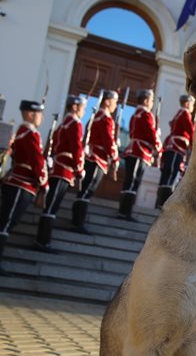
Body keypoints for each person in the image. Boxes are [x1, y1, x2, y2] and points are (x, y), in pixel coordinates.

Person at [0, 100, 47, 276]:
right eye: (39, 114)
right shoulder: (29, 133)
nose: (41, 117)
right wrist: (44, 182)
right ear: (29, 114)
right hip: (21, 184)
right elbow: (36, 160)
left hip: (20, 182)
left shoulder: (24, 132)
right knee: (6, 223)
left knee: (7, 223)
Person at [34, 95, 86, 252]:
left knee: (50, 206)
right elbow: (76, 147)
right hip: (64, 170)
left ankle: (42, 240)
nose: (83, 111)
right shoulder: (75, 123)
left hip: (57, 167)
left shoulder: (64, 123)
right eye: (82, 107)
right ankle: (43, 241)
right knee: (51, 207)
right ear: (75, 107)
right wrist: (79, 168)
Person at [73, 90, 120, 234]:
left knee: (85, 190)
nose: (115, 105)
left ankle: (77, 219)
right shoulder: (105, 118)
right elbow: (107, 140)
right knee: (87, 191)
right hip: (96, 159)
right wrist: (114, 157)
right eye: (114, 101)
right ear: (106, 101)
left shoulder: (95, 117)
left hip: (92, 157)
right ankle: (78, 221)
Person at [119, 89, 161, 221]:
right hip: (140, 152)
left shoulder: (135, 114)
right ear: (146, 100)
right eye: (151, 100)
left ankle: (123, 210)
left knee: (129, 181)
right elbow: (150, 132)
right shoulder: (146, 115)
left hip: (133, 149)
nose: (152, 103)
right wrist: (158, 145)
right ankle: (126, 212)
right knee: (133, 182)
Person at [156, 94, 195, 209]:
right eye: (192, 104)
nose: (192, 107)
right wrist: (194, 144)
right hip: (177, 147)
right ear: (187, 104)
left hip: (171, 146)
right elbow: (190, 130)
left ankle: (160, 201)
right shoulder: (185, 113)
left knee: (167, 174)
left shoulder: (178, 113)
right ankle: (164, 202)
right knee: (171, 174)